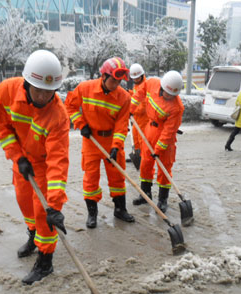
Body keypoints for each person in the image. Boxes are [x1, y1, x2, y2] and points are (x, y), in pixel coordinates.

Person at [0, 50, 70, 285]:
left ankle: (45, 263)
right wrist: (17, 156)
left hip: (44, 166)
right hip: (22, 162)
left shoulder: (58, 116)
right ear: (26, 83)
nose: (44, 97)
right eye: (39, 90)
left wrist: (55, 205)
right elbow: (1, 125)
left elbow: (58, 161)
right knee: (25, 202)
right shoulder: (7, 90)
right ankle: (33, 237)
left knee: (44, 213)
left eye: (50, 92)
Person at [65, 57, 135, 228]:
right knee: (91, 178)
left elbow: (121, 125)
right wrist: (81, 124)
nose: (116, 84)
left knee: (117, 177)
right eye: (113, 79)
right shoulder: (85, 88)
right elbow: (70, 106)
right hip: (92, 140)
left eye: (119, 81)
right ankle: (92, 213)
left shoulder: (124, 97)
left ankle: (120, 210)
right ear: (103, 76)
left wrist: (116, 147)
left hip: (111, 140)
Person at [130, 70, 185, 213]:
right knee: (145, 164)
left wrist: (159, 149)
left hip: (165, 138)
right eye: (167, 93)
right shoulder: (152, 84)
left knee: (164, 169)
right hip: (149, 129)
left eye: (173, 95)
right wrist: (130, 109)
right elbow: (138, 94)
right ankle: (145, 194)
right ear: (162, 86)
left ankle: (162, 200)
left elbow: (169, 131)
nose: (169, 97)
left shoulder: (177, 107)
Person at [128, 63, 148, 170]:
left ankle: (143, 157)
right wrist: (130, 93)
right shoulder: (136, 86)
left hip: (144, 119)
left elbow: (143, 105)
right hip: (136, 118)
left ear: (142, 75)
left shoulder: (146, 86)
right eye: (134, 78)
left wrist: (132, 110)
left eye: (137, 78)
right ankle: (136, 155)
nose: (135, 80)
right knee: (134, 137)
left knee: (142, 139)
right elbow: (136, 98)